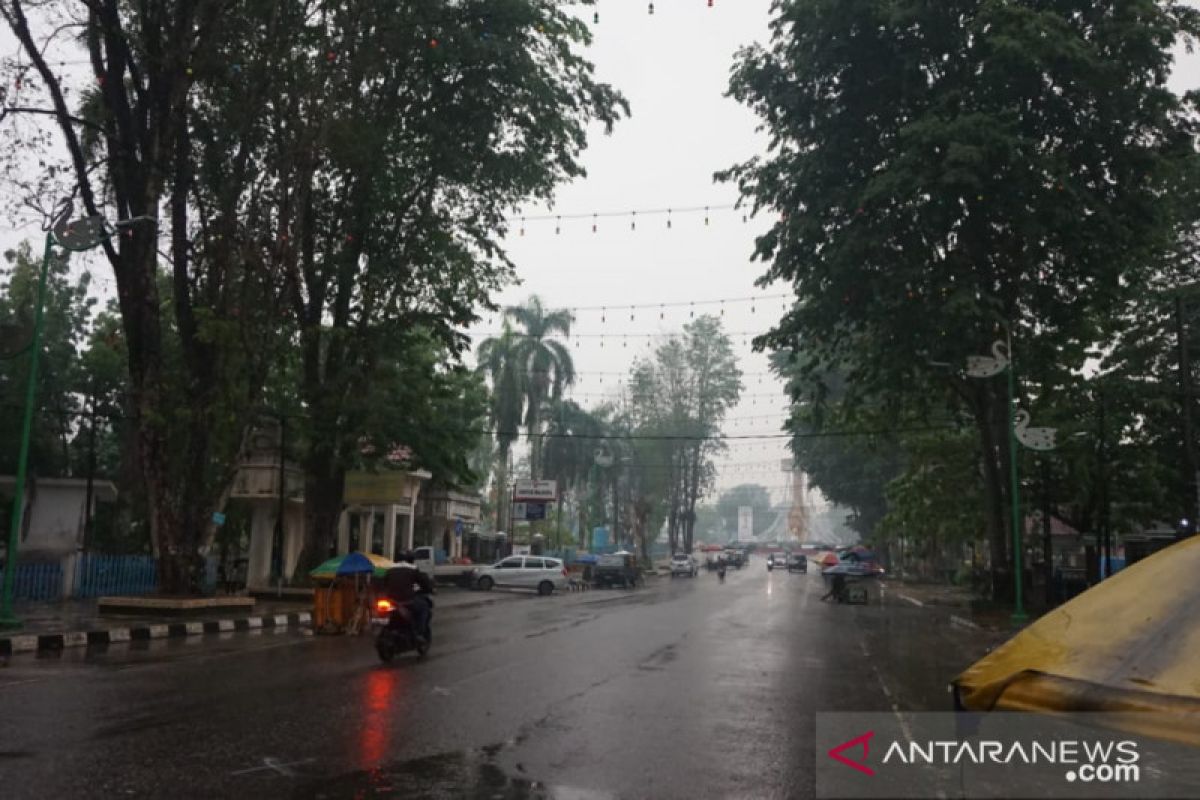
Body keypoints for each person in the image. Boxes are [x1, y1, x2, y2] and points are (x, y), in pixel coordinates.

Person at [383, 551, 435, 642]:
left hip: (391, 600)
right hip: (407, 600)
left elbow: (381, 584)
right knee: (424, 607)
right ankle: (419, 633)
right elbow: (424, 582)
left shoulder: (389, 569)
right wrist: (430, 589)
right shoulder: (412, 569)